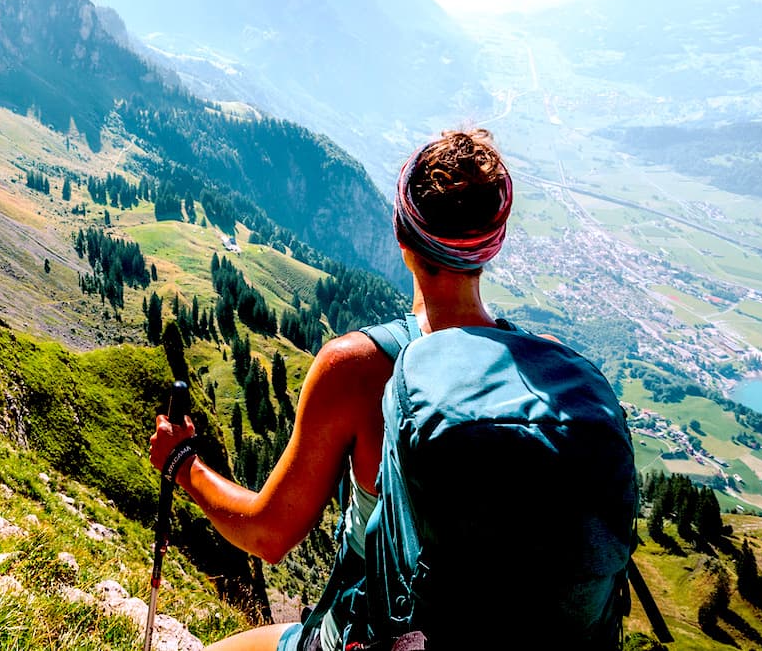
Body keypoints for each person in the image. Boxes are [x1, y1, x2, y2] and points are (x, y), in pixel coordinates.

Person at [149, 128, 533, 651]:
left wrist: (181, 463)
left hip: (365, 638)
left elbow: (268, 535)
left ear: (401, 233)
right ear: (493, 244)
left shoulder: (360, 367)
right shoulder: (540, 372)